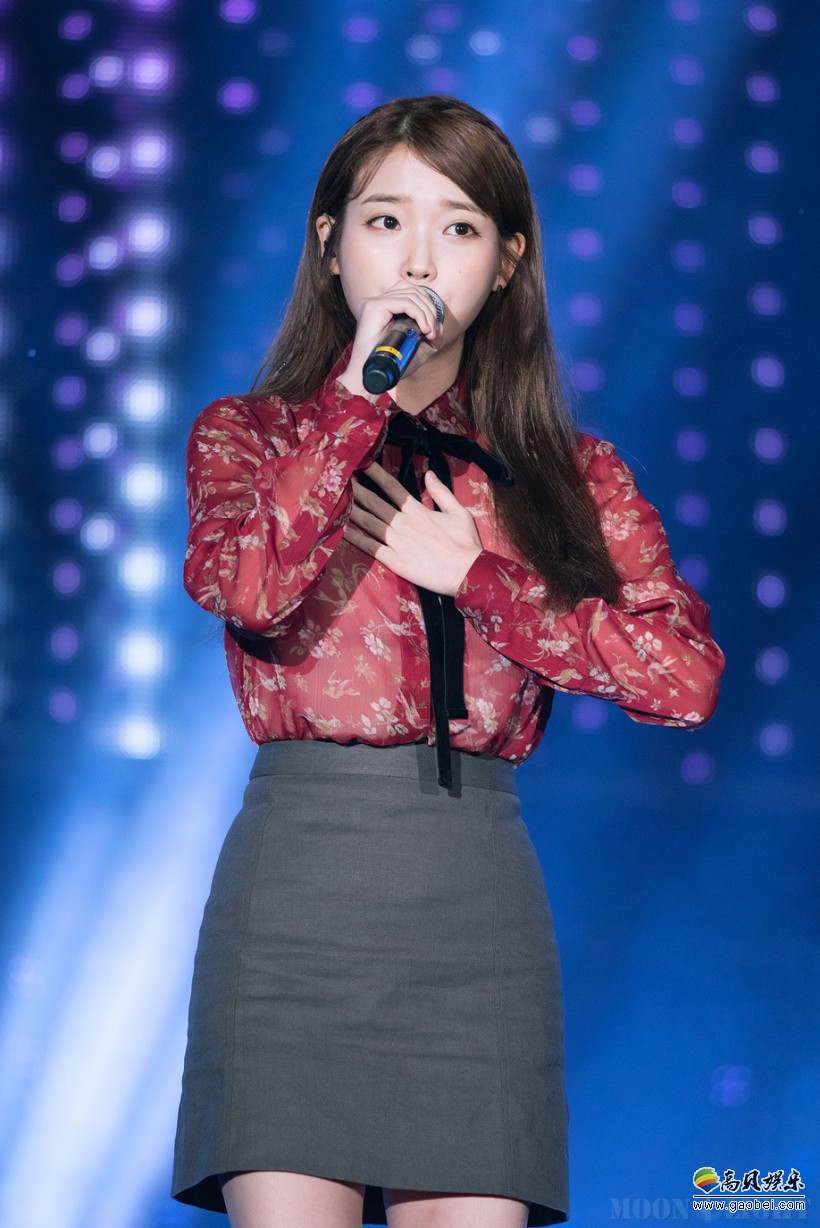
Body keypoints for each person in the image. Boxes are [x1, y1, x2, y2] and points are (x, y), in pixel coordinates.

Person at [171, 95, 725, 1228]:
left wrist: (479, 576)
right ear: (330, 244)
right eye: (385, 222)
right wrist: (353, 402)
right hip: (300, 889)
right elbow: (247, 588)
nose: (418, 259)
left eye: (459, 227)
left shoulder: (573, 474)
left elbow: (682, 680)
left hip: (474, 893)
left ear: (507, 261)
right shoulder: (250, 435)